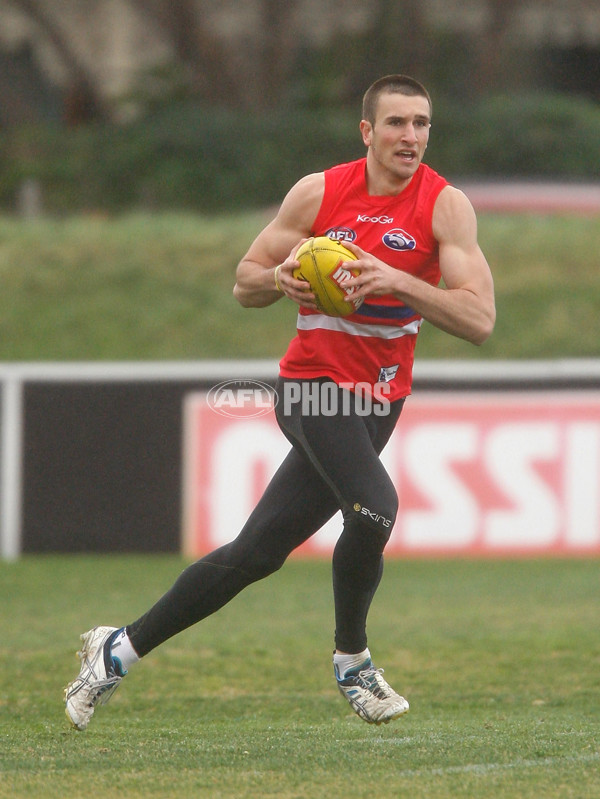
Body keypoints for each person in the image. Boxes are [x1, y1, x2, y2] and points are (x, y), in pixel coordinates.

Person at [64, 74, 495, 730]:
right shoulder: (320, 192)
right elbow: (244, 282)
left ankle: (115, 649)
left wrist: (398, 280)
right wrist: (278, 276)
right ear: (366, 131)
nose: (411, 136)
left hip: (379, 400)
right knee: (376, 508)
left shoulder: (445, 208)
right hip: (311, 389)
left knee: (255, 553)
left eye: (422, 124)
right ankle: (353, 660)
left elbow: (480, 318)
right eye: (397, 123)